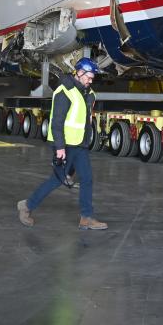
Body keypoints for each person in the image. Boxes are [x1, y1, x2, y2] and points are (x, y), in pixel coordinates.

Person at [17, 58, 107, 230]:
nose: (91, 80)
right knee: (57, 180)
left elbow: (85, 120)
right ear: (79, 73)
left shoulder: (89, 94)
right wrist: (59, 148)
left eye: (92, 77)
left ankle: (86, 217)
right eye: (89, 76)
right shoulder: (64, 91)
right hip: (65, 145)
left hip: (80, 145)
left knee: (87, 179)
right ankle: (27, 206)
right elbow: (57, 122)